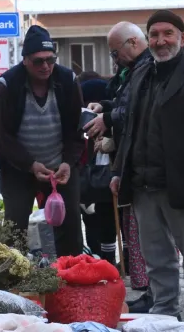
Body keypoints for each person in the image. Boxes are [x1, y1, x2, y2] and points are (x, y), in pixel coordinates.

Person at [110, 11, 184, 331]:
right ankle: (164, 310)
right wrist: (119, 171)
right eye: (155, 34)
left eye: (168, 34)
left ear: (182, 38)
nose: (161, 40)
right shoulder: (141, 76)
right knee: (156, 256)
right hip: (144, 183)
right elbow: (131, 129)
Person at [0, 25, 85, 257]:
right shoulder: (7, 86)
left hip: (60, 166)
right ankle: (13, 278)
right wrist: (29, 164)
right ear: (25, 61)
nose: (45, 66)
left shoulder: (67, 80)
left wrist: (68, 162)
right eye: (38, 61)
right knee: (15, 226)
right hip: (18, 168)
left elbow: (77, 129)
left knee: (70, 223)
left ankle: (70, 275)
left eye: (50, 60)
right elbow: (1, 136)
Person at [86, 21, 154, 312]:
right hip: (132, 167)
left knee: (152, 240)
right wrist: (106, 106)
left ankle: (160, 299)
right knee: (138, 234)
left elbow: (140, 109)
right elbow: (124, 103)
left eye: (115, 53)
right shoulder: (130, 72)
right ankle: (151, 295)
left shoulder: (148, 69)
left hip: (148, 167)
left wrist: (109, 119)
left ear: (133, 44)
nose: (114, 60)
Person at [78, 78, 117, 264]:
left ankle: (105, 260)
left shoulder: (108, 117)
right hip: (96, 180)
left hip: (100, 179)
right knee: (100, 220)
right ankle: (103, 260)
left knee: (101, 220)